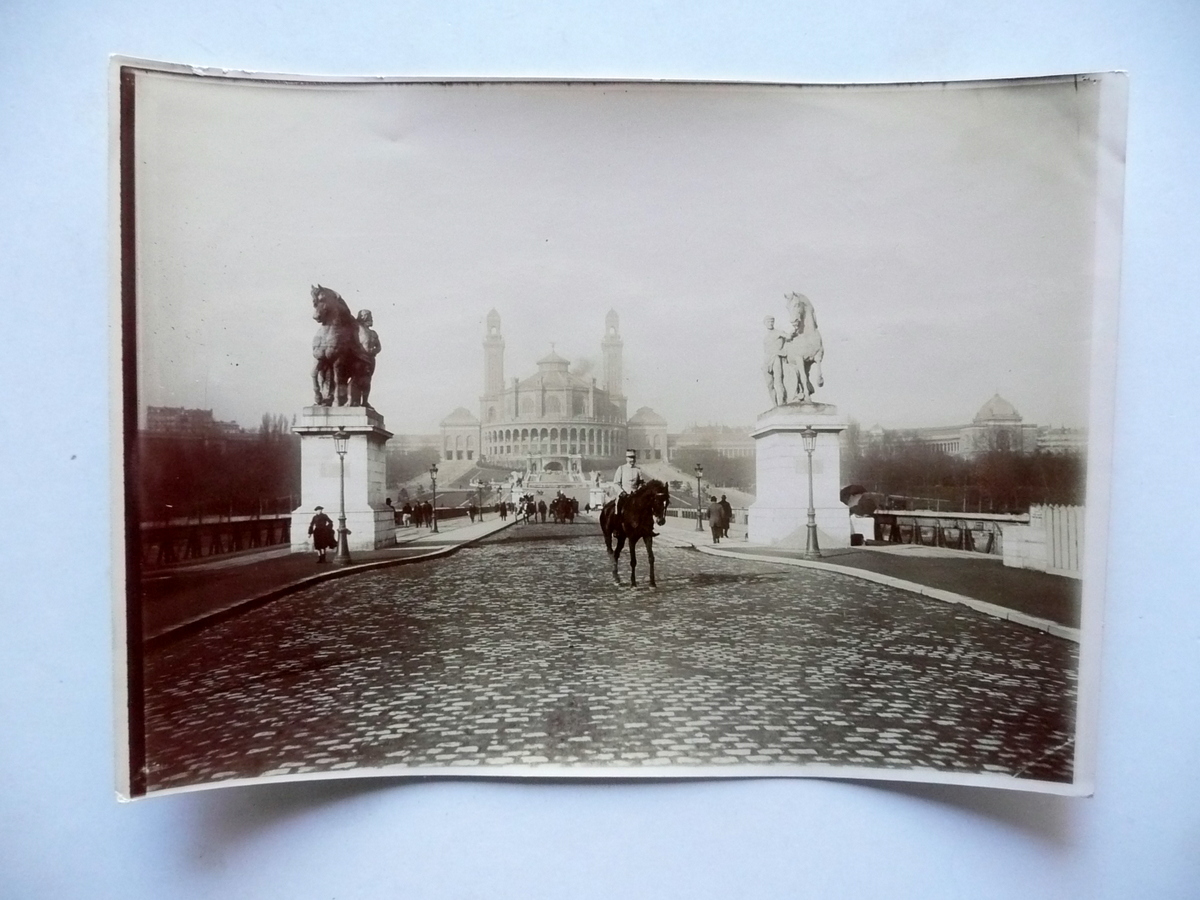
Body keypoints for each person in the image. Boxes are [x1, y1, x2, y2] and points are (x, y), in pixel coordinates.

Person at [763, 315, 788, 406]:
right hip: (767, 360)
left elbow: (788, 337)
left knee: (778, 381)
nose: (770, 323)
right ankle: (775, 405)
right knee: (769, 384)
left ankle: (782, 402)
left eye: (771, 322)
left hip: (776, 357)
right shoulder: (765, 336)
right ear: (765, 323)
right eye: (768, 322)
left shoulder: (778, 332)